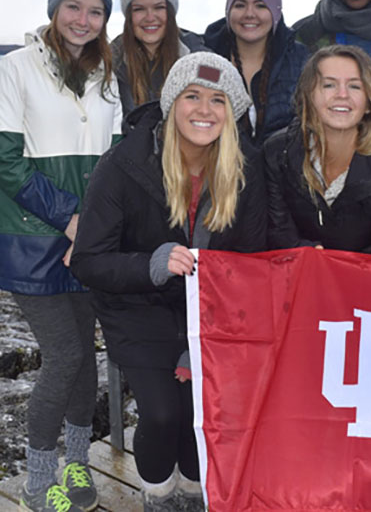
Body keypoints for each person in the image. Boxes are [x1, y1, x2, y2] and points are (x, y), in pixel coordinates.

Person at [70, 52, 266, 512]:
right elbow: (89, 261)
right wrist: (150, 264)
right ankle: (158, 495)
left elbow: (251, 264)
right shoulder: (122, 164)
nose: (204, 109)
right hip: (137, 308)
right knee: (161, 413)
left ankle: (195, 492)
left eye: (218, 99)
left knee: (202, 413)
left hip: (211, 317)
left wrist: (200, 342)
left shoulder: (245, 170)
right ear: (171, 103)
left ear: (231, 112)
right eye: (192, 96)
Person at [0, 0, 122, 512]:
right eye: (74, 7)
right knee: (64, 356)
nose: (84, 20)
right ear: (55, 8)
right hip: (27, 236)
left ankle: (78, 467)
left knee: (86, 359)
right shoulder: (16, 67)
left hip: (84, 236)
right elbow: (4, 162)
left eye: (96, 11)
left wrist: (93, 226)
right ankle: (39, 481)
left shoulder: (107, 74)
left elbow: (112, 163)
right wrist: (71, 220)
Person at [263, 44, 371, 256]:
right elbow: (277, 233)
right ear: (308, 95)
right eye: (329, 85)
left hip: (366, 284)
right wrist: (310, 256)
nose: (342, 95)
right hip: (296, 276)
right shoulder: (276, 152)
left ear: (369, 102)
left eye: (355, 86)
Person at [203, 0, 309, 144]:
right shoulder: (206, 58)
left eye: (261, 6)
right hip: (219, 165)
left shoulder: (300, 61)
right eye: (240, 5)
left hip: (283, 166)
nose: (249, 14)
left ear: (275, 13)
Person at [112, 0, 204, 119]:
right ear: (128, 16)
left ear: (171, 11)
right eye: (139, 9)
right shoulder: (113, 59)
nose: (150, 17)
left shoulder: (195, 52)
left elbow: (219, 80)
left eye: (159, 7)